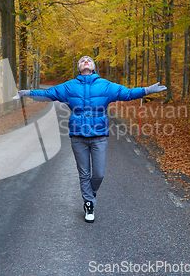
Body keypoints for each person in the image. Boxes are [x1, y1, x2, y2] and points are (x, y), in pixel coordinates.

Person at [15, 56, 166, 223]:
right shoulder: (69, 86)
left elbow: (127, 93)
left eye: (89, 60)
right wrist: (27, 93)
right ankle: (88, 203)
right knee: (84, 173)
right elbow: (47, 94)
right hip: (78, 136)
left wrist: (146, 91)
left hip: (99, 136)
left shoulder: (106, 85)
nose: (85, 61)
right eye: (82, 60)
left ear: (94, 67)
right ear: (79, 67)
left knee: (99, 174)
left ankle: (90, 193)